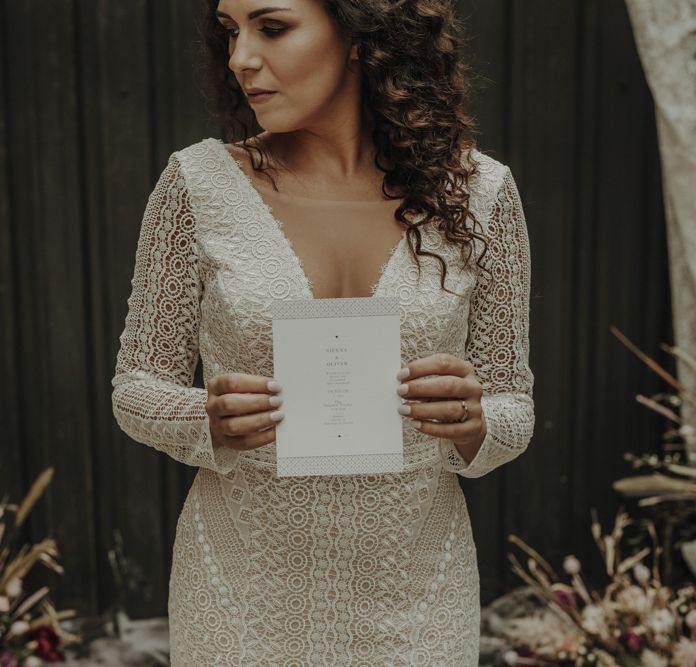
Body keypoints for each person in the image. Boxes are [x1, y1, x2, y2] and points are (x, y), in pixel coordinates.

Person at [110, 0, 535, 664]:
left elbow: (515, 405)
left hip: (416, 601)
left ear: (361, 36)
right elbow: (135, 387)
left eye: (270, 27)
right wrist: (205, 417)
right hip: (240, 599)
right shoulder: (195, 185)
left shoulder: (480, 194)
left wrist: (475, 420)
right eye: (230, 31)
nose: (240, 57)